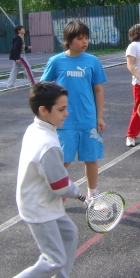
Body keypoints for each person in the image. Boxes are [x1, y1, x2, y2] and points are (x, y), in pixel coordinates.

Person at [0, 82, 85, 278]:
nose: (67, 113)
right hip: (39, 207)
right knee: (53, 260)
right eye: (61, 109)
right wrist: (78, 193)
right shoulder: (47, 144)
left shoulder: (37, 128)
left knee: (69, 234)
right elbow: (60, 185)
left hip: (42, 201)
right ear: (44, 110)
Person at [40, 20, 107, 200]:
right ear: (68, 40)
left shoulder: (92, 61)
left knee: (91, 159)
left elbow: (98, 90)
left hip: (88, 120)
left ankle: (92, 195)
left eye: (87, 38)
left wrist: (99, 117)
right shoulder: (56, 61)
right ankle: (55, 195)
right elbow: (43, 88)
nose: (85, 42)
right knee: (64, 160)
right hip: (64, 121)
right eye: (79, 38)